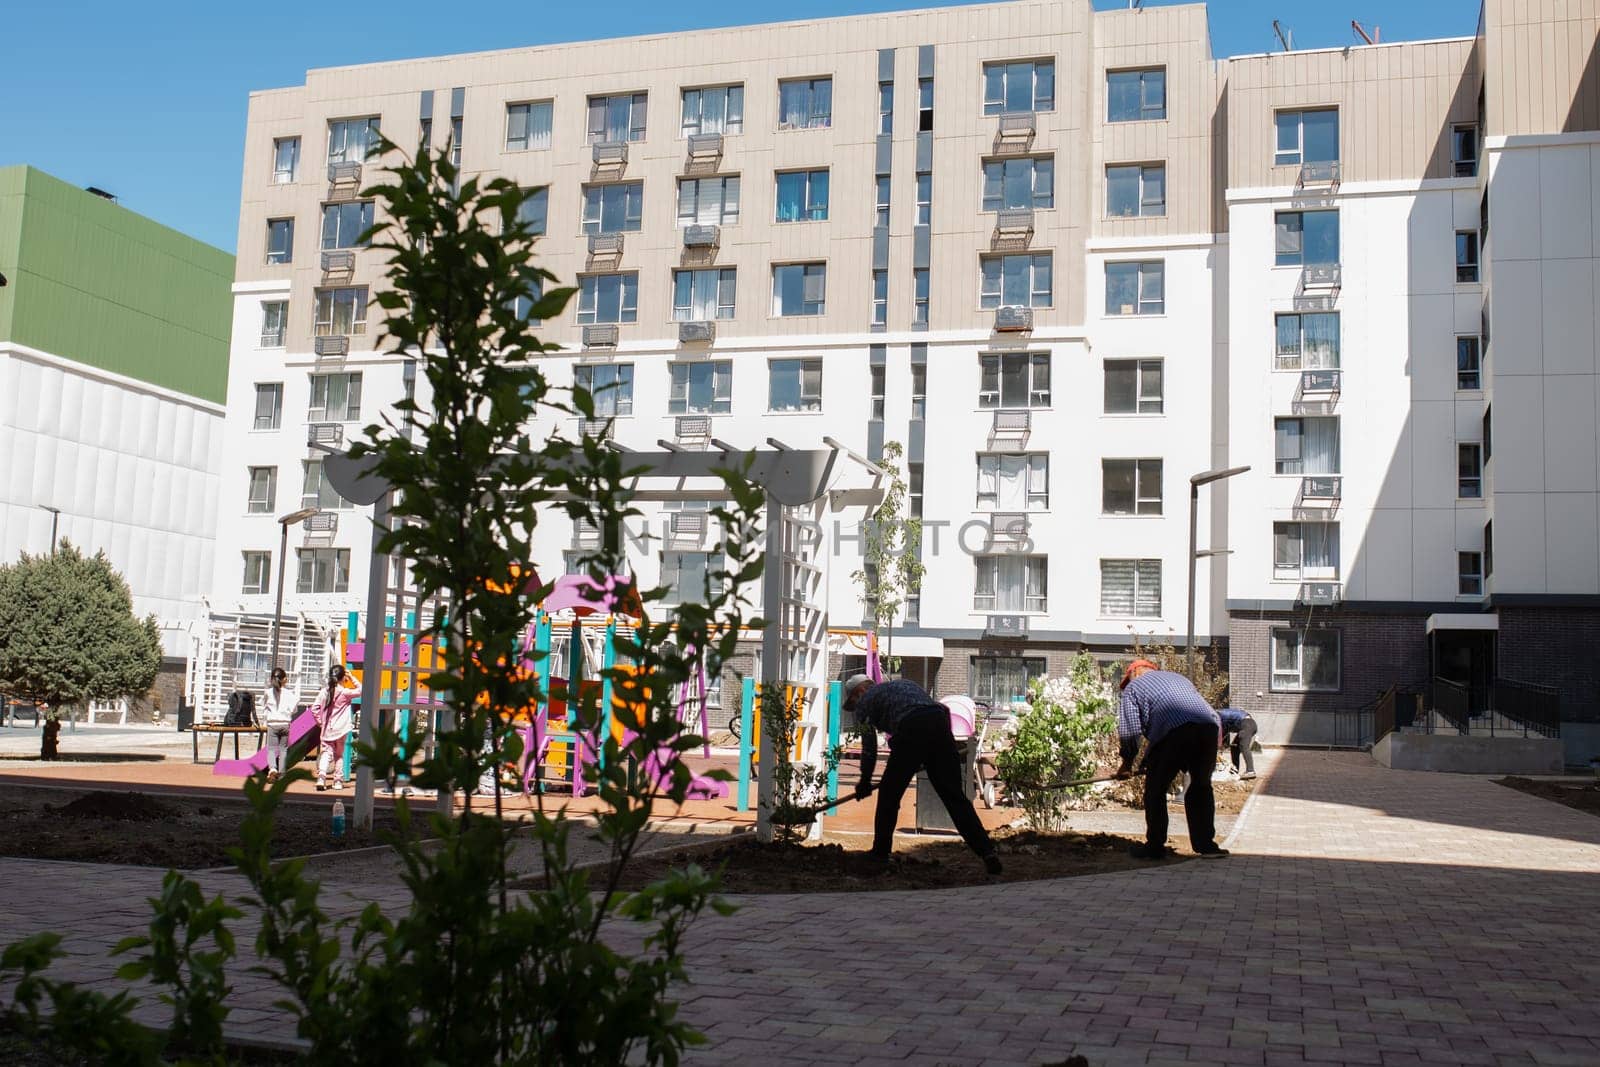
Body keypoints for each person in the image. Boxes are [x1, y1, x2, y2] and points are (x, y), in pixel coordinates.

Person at [842, 675, 1003, 876]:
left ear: (860, 692)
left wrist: (865, 780)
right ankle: (987, 853)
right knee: (955, 797)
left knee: (889, 796)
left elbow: (869, 746)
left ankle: (880, 854)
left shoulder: (866, 701)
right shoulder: (906, 683)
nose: (856, 706)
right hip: (939, 725)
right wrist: (936, 751)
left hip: (911, 729)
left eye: (854, 701)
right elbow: (942, 710)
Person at [1114, 660, 1229, 860]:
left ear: (1136, 672)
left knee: (1155, 790)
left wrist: (1126, 764)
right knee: (1200, 786)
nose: (1128, 683)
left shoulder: (1134, 687)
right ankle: (1206, 845)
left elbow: (1130, 731)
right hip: (1209, 727)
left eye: (1128, 679)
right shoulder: (1179, 679)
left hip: (1175, 731)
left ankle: (1155, 847)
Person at [310, 664, 357, 792]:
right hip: (341, 729)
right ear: (343, 678)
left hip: (327, 730)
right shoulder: (345, 692)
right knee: (339, 755)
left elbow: (314, 708)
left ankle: (321, 777)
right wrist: (352, 678)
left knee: (326, 753)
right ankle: (337, 781)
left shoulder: (324, 692)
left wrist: (320, 722)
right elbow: (361, 690)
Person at [261, 668, 295, 783]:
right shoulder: (289, 693)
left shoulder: (268, 692)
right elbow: (294, 709)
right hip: (285, 724)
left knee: (271, 749)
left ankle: (272, 769)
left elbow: (264, 706)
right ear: (284, 680)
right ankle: (282, 773)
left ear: (271, 679)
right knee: (283, 749)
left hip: (272, 724)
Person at [1219, 707, 1258, 780]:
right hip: (1248, 725)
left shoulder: (1218, 715)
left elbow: (1220, 733)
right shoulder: (1222, 718)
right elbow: (1224, 733)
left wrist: (1218, 746)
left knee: (1244, 746)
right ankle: (1234, 771)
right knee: (1234, 747)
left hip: (1247, 724)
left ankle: (1250, 771)